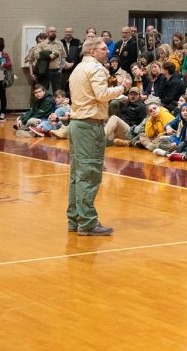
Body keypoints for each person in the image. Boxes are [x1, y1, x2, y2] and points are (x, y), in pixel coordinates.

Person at [66, 36, 125, 236]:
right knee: (89, 174)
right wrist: (122, 87)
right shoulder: (96, 69)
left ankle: (75, 219)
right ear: (92, 51)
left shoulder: (77, 69)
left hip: (76, 124)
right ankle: (88, 222)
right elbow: (102, 94)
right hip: (89, 125)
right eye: (102, 49)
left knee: (77, 175)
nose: (107, 51)